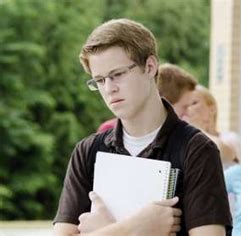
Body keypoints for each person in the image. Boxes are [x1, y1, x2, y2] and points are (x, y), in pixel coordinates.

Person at [53, 18, 231, 235]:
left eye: (117, 75)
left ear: (149, 66)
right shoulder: (88, 151)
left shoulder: (197, 149)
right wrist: (135, 228)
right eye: (99, 80)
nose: (109, 89)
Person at [96, 63, 198, 132]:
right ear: (166, 103)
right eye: (184, 107)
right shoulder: (109, 131)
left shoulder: (185, 136)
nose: (188, 113)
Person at [183, 85, 241, 168]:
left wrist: (195, 128)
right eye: (184, 105)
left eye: (194, 103)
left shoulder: (230, 138)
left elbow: (219, 151)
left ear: (212, 109)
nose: (188, 109)